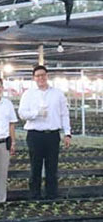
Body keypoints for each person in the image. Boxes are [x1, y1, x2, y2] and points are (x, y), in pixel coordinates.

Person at [18, 65, 71, 199]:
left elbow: (64, 114)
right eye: (38, 76)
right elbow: (22, 114)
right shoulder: (28, 94)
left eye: (43, 75)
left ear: (47, 76)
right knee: (35, 165)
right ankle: (35, 194)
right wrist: (36, 113)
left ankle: (51, 194)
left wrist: (67, 133)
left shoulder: (57, 93)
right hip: (35, 135)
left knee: (52, 166)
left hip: (52, 135)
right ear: (34, 78)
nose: (41, 78)